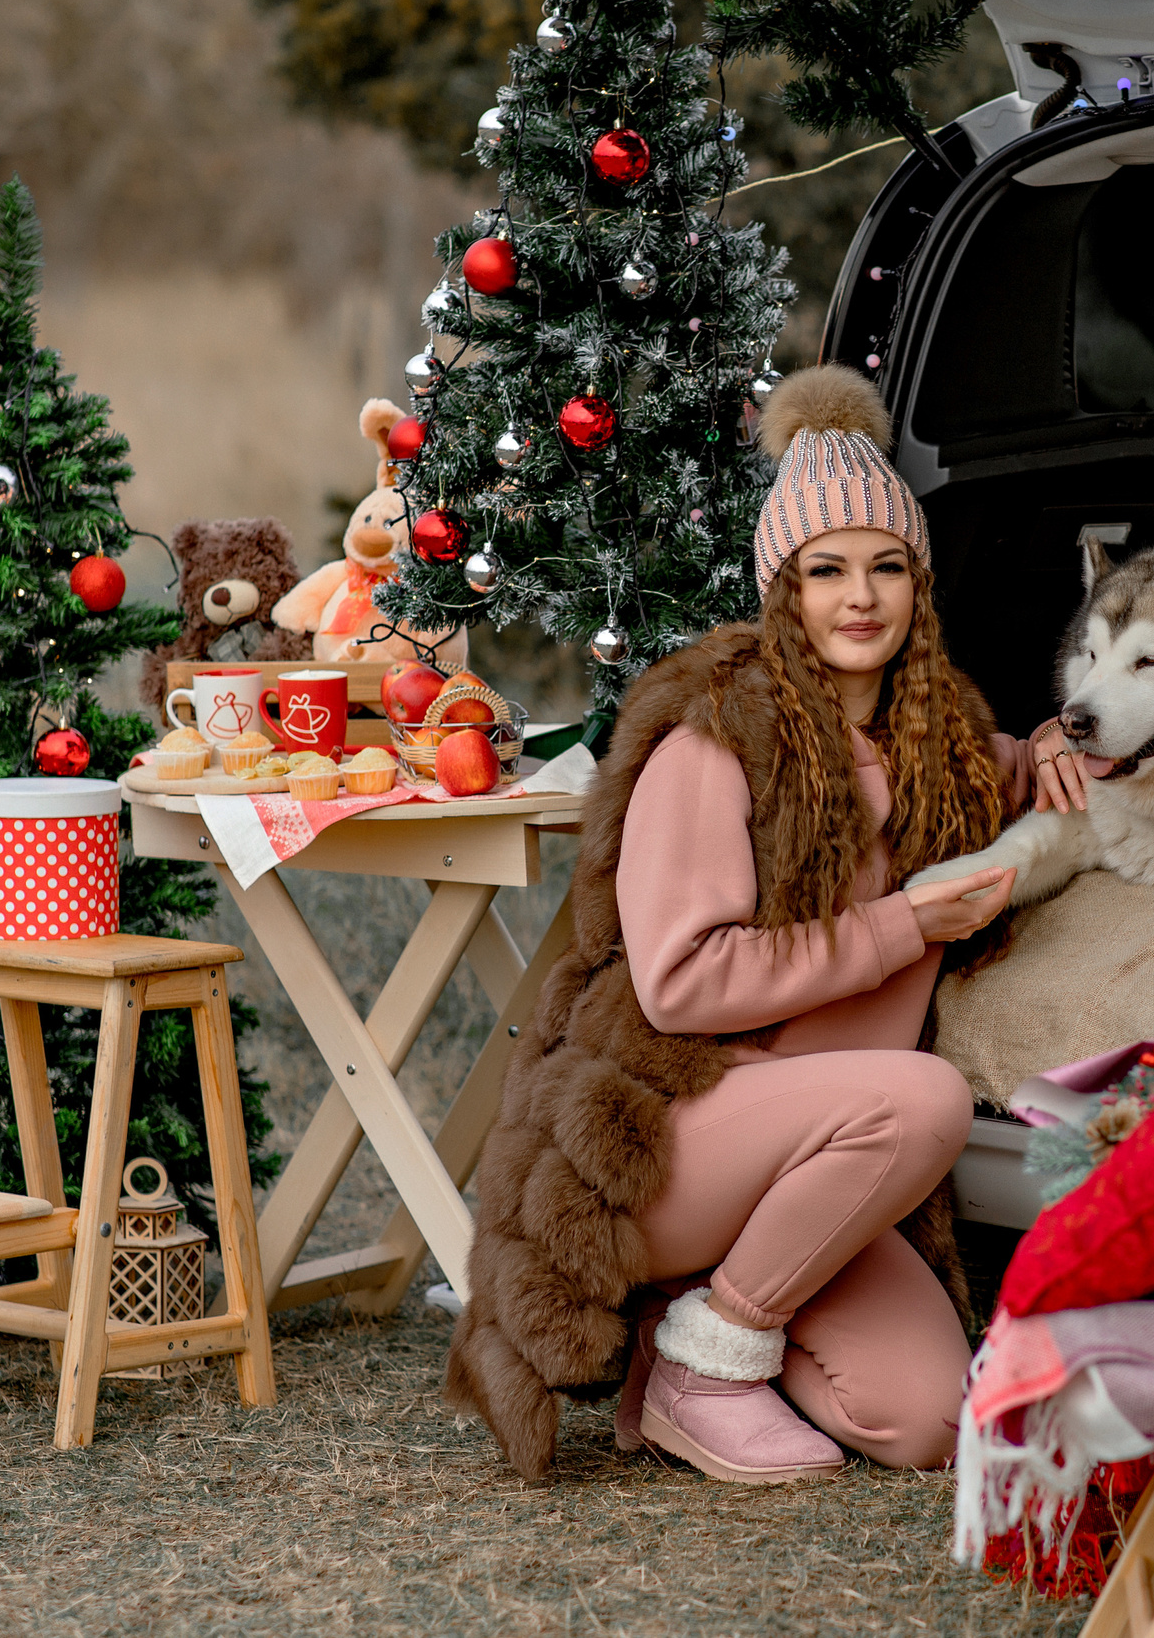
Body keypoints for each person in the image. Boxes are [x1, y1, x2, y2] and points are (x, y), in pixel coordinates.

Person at [444, 364, 1081, 1484]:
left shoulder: (939, 755)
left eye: (887, 567)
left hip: (826, 1162)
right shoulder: (711, 750)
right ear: (780, 589)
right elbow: (680, 985)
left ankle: (696, 1318)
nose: (860, 596)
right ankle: (708, 1360)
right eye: (824, 569)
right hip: (678, 1141)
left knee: (925, 1422)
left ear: (917, 590)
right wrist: (901, 926)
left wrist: (1063, 742)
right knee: (922, 1096)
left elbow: (1024, 769)